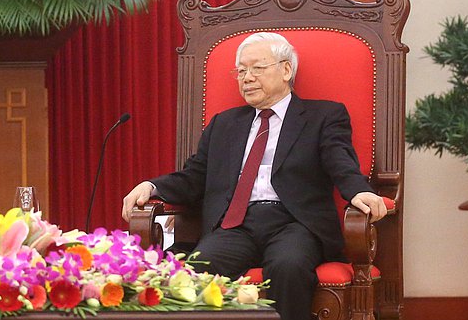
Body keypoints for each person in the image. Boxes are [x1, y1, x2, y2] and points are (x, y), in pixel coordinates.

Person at [120, 32, 387, 320]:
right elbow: (195, 177)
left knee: (289, 266)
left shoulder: (322, 116)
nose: (246, 77)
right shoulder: (224, 124)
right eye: (241, 71)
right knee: (195, 268)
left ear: (286, 70)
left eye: (257, 68)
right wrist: (152, 186)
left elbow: (340, 161)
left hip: (294, 223)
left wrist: (359, 191)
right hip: (235, 225)